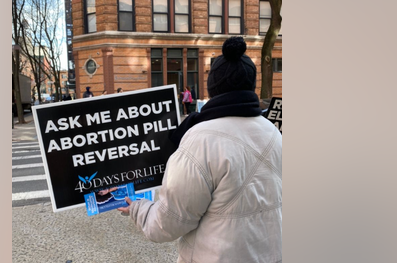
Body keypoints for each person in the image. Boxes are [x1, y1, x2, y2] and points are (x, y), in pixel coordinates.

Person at [118, 36, 282, 263]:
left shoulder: (201, 140)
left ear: (213, 87)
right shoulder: (273, 132)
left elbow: (168, 223)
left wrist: (138, 208)